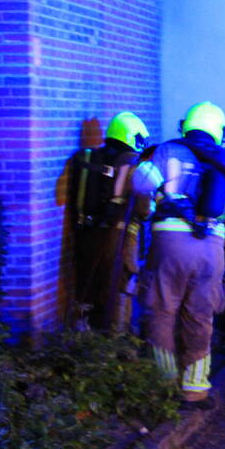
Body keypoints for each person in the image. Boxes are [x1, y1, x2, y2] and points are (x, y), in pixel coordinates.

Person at [133, 101, 225, 409]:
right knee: (200, 317)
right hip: (211, 250)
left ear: (185, 125)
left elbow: (141, 190)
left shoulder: (166, 151)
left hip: (169, 246)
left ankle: (164, 386)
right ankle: (195, 390)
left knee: (161, 313)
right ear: (220, 130)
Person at [69, 111, 152, 332]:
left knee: (88, 289)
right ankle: (117, 343)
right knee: (120, 290)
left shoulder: (89, 158)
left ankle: (83, 338)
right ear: (133, 136)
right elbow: (144, 210)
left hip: (87, 234)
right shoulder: (133, 165)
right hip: (121, 239)